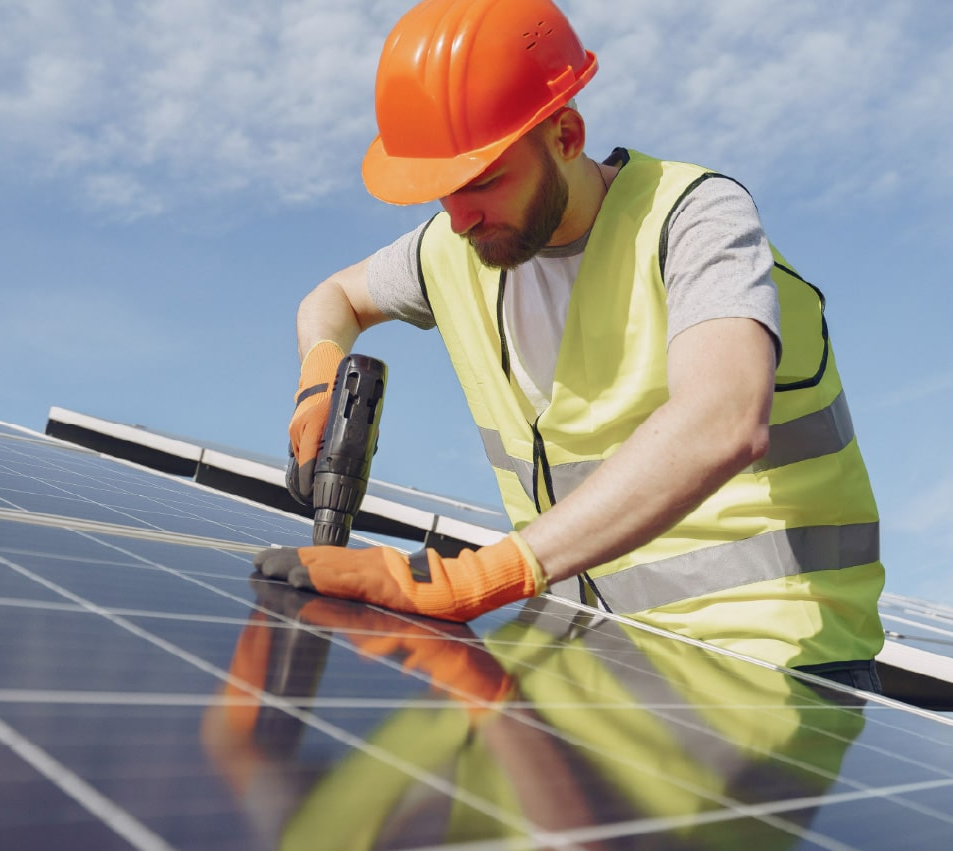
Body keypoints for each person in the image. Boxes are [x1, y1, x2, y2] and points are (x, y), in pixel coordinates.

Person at [254, 0, 885, 687]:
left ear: (566, 133)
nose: (461, 217)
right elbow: (333, 298)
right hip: (590, 657)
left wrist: (478, 579)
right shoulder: (455, 247)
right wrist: (320, 375)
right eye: (440, 191)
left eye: (485, 179)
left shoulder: (693, 218)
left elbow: (724, 417)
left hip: (769, 667)